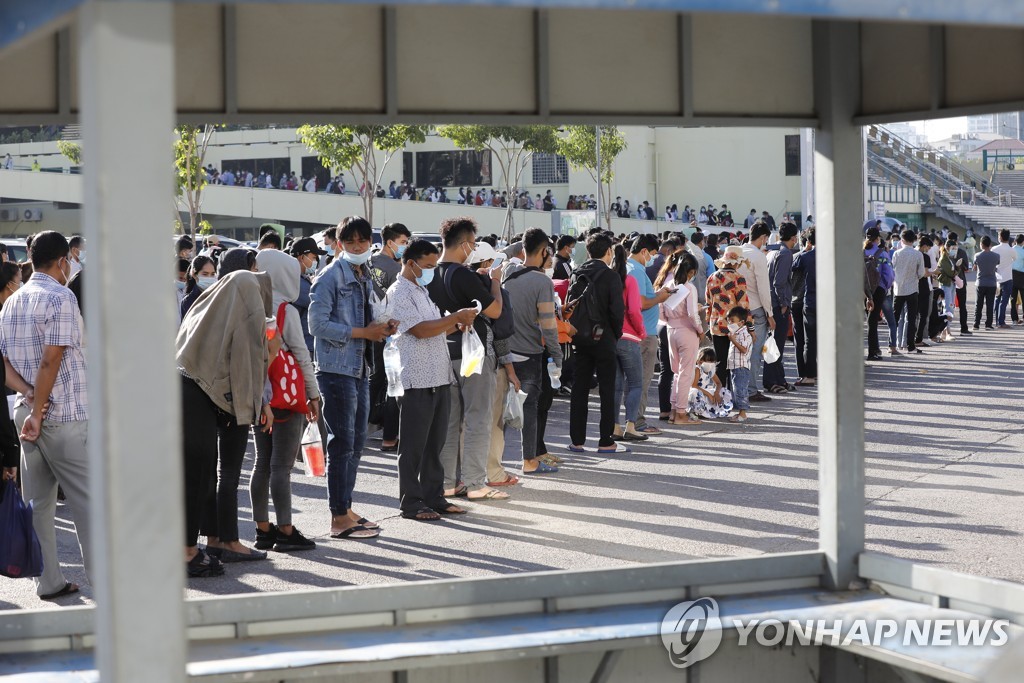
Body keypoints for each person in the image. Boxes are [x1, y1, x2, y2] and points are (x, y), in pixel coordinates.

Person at [0, 232, 92, 599]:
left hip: (25, 413)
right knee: (88, 503)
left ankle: (49, 581)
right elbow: (52, 358)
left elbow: (3, 362)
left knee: (39, 503)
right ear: (62, 261)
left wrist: (28, 396)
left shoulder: (11, 303)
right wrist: (39, 407)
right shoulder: (61, 296)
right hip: (62, 415)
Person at [178, 265, 275, 575]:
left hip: (189, 390)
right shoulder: (247, 308)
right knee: (199, 476)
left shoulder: (207, 305)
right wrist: (250, 411)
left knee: (204, 476)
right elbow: (248, 365)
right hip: (203, 398)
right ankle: (189, 552)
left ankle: (213, 540)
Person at [310, 216, 398, 539]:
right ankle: (338, 517)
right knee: (341, 444)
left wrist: (383, 327)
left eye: (362, 241)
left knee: (356, 442)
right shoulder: (329, 277)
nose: (358, 247)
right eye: (351, 242)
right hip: (336, 371)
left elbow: (365, 317)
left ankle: (345, 508)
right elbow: (317, 326)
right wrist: (364, 332)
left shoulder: (362, 275)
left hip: (360, 369)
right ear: (340, 244)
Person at [389, 240, 477, 520]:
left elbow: (435, 327)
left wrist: (458, 321)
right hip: (416, 378)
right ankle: (411, 502)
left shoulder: (421, 290)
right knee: (414, 446)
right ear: (410, 262)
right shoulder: (399, 292)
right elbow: (420, 330)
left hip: (438, 375)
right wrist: (455, 317)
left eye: (433, 266)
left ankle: (434, 496)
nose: (431, 271)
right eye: (427, 266)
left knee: (434, 445)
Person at [425, 217, 509, 501]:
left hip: (444, 351)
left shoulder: (431, 274)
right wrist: (495, 282)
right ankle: (475, 483)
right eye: (473, 244)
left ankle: (448, 482)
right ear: (464, 245)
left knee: (449, 422)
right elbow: (495, 311)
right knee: (478, 418)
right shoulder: (464, 275)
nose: (473, 249)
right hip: (474, 354)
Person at [250, 249, 321, 552]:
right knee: (282, 466)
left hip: (257, 392)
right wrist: (314, 393)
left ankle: (262, 530)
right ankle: (286, 530)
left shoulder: (249, 305)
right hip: (287, 394)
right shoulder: (286, 311)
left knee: (261, 464)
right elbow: (301, 354)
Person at [502, 228, 563, 473]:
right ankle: (529, 461)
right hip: (529, 353)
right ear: (544, 251)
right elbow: (548, 325)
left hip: (504, 350)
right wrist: (557, 354)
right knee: (529, 407)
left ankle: (494, 463)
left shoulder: (507, 272)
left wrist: (521, 245)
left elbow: (504, 254)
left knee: (502, 409)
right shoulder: (541, 281)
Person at [567, 233, 625, 453]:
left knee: (579, 388)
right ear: (608, 252)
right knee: (607, 389)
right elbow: (617, 311)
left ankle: (577, 440)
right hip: (604, 337)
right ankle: (605, 440)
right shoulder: (611, 276)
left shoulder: (577, 273)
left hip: (579, 336)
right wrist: (615, 334)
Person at [369, 223, 412, 453]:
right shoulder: (395, 270)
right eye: (403, 242)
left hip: (367, 329)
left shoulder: (369, 262)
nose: (405, 246)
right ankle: (388, 435)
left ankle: (365, 425)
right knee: (390, 383)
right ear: (391, 242)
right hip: (388, 333)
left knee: (373, 379)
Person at [625, 234, 671, 435]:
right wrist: (660, 297)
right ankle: (637, 421)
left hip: (639, 332)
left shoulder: (632, 268)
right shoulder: (635, 270)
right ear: (644, 251)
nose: (653, 258)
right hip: (642, 334)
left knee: (635, 380)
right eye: (652, 254)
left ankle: (632, 421)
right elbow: (640, 303)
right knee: (640, 381)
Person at [609, 244, 648, 442]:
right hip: (629, 337)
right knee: (635, 384)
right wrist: (641, 331)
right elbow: (634, 310)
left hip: (611, 338)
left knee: (615, 386)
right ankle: (630, 426)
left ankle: (615, 426)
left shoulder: (609, 280)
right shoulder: (629, 280)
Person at [659, 252, 702, 425]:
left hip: (670, 330)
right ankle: (681, 414)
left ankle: (674, 411)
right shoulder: (689, 288)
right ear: (691, 272)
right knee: (686, 374)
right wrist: (700, 330)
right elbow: (692, 314)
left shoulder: (667, 284)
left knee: (677, 373)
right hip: (687, 331)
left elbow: (661, 312)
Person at [736, 223, 774, 402]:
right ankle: (750, 390)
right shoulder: (758, 257)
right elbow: (764, 289)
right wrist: (770, 314)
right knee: (754, 352)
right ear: (763, 238)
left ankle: (738, 389)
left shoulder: (737, 252)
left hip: (737, 309)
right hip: (756, 309)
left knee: (737, 351)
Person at [705, 246, 749, 390]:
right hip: (734, 327)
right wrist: (750, 326)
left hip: (716, 325)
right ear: (736, 262)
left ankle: (720, 394)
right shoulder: (738, 279)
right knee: (734, 364)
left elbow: (708, 302)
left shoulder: (712, 277)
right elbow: (743, 305)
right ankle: (733, 395)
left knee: (720, 362)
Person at [764, 223, 797, 388]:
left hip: (770, 303)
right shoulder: (785, 254)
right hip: (778, 304)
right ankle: (771, 381)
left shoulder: (772, 252)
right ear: (794, 237)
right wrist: (784, 303)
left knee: (774, 344)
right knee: (776, 345)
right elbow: (779, 283)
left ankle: (779, 379)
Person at [791, 228, 818, 382]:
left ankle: (809, 375)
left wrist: (804, 251)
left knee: (809, 340)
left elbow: (793, 268)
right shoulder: (832, 256)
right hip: (828, 302)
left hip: (811, 301)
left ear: (809, 242)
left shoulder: (806, 257)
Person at [891, 229, 924, 354]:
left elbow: (892, 270)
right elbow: (921, 273)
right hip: (912, 289)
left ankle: (892, 344)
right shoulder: (918, 254)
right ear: (914, 240)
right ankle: (910, 346)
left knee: (895, 318)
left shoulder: (896, 253)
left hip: (898, 289)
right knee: (911, 318)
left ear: (902, 240)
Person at [686, 347, 732, 419]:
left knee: (725, 391)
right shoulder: (697, 369)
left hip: (706, 393)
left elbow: (719, 383)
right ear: (700, 361)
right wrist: (709, 395)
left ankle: (718, 409)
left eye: (712, 362)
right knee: (696, 392)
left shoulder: (711, 370)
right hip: (696, 393)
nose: (710, 364)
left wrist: (716, 393)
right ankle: (696, 410)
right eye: (708, 361)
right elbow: (694, 386)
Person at [726, 306, 753, 423]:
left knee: (740, 390)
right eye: (728, 320)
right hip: (734, 366)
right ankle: (739, 412)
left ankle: (743, 413)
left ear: (741, 322)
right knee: (736, 390)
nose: (729, 323)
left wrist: (733, 341)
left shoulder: (744, 334)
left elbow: (744, 350)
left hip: (741, 367)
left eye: (732, 321)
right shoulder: (736, 332)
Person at [179, 255, 217, 321]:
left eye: (212, 274)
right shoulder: (188, 301)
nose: (209, 277)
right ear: (194, 275)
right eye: (205, 274)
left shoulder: (220, 294)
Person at [974, 235, 999, 330]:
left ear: (981, 244)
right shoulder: (996, 256)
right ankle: (988, 324)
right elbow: (996, 265)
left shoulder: (977, 255)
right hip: (992, 283)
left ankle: (976, 324)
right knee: (990, 304)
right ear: (990, 244)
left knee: (978, 304)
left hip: (980, 282)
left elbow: (975, 267)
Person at [992, 229, 1015, 328]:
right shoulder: (1011, 249)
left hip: (997, 278)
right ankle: (1001, 321)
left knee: (997, 299)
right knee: (1004, 301)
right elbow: (1015, 259)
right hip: (1008, 277)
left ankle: (996, 321)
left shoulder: (994, 249)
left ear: (1000, 237)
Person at [1011, 234, 1024, 325]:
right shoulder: (1023, 251)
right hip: (1022, 275)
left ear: (1015, 241)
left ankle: (1014, 319)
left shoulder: (1011, 250)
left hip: (1011, 275)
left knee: (1013, 299)